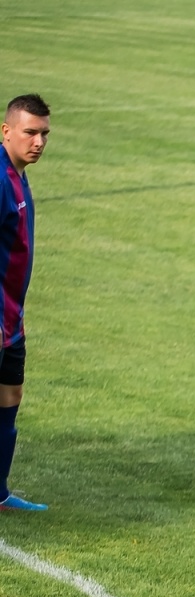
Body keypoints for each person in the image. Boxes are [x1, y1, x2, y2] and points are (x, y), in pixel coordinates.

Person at [0, 94, 51, 513]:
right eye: (30, 132)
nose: (38, 142)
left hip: (11, 319)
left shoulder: (18, 174)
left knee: (9, 396)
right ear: (6, 131)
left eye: (44, 134)